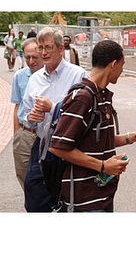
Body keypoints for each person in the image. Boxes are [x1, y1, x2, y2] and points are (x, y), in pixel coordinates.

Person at [49, 40, 136, 212]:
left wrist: (132, 137)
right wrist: (103, 166)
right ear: (113, 64)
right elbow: (58, 147)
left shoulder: (101, 95)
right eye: (122, 65)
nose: (121, 70)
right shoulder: (82, 97)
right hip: (85, 200)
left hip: (103, 195)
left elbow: (95, 141)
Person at [22, 27, 87, 212]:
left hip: (70, 148)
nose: (43, 53)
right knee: (34, 198)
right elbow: (26, 115)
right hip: (43, 146)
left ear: (60, 49)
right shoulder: (34, 79)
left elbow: (85, 113)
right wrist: (30, 118)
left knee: (67, 198)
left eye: (48, 47)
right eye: (40, 47)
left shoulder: (78, 75)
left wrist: (53, 108)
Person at [11, 38, 44, 190]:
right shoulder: (20, 76)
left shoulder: (50, 76)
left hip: (45, 136)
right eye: (27, 57)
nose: (31, 61)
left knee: (47, 179)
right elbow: (18, 106)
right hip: (25, 135)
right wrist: (18, 134)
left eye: (34, 57)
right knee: (25, 178)